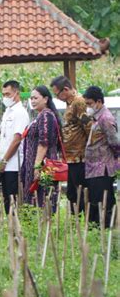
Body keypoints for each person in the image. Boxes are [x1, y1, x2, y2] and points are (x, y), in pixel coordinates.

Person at [51, 76, 91, 214]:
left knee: (79, 193)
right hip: (71, 157)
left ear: (66, 89)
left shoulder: (79, 103)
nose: (57, 98)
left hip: (79, 156)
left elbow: (88, 126)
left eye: (58, 94)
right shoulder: (70, 104)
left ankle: (83, 220)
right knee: (72, 194)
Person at [21, 86, 62, 212]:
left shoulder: (46, 116)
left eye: (36, 98)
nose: (32, 101)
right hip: (34, 165)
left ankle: (45, 229)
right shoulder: (40, 116)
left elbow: (44, 143)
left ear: (45, 99)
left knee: (43, 200)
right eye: (31, 98)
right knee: (35, 201)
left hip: (43, 167)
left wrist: (37, 167)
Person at [83, 86, 119, 227]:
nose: (88, 107)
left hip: (102, 168)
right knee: (96, 201)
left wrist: (116, 158)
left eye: (90, 104)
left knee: (103, 202)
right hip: (94, 169)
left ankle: (106, 230)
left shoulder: (105, 118)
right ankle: (98, 229)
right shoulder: (96, 118)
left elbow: (114, 142)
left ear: (98, 102)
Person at [0, 80, 30, 214]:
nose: (5, 97)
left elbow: (17, 140)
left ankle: (17, 229)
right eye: (3, 94)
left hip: (14, 165)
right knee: (7, 201)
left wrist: (4, 160)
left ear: (17, 93)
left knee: (14, 201)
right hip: (4, 164)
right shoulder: (7, 112)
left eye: (8, 94)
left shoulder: (20, 112)